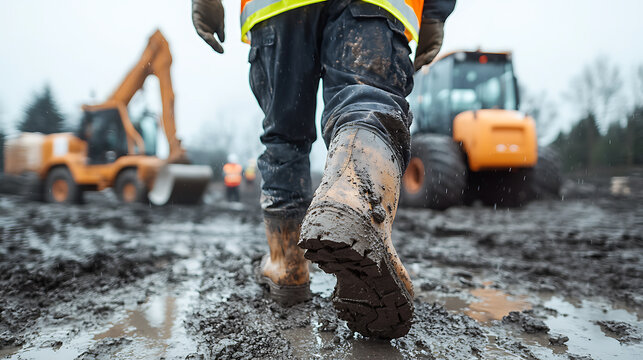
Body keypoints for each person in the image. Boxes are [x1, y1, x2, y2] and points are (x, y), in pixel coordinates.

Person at [192, 0, 455, 338]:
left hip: (277, 8)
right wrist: (434, 13)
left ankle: (287, 263)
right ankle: (354, 202)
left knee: (284, 137)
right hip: (376, 5)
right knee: (367, 103)